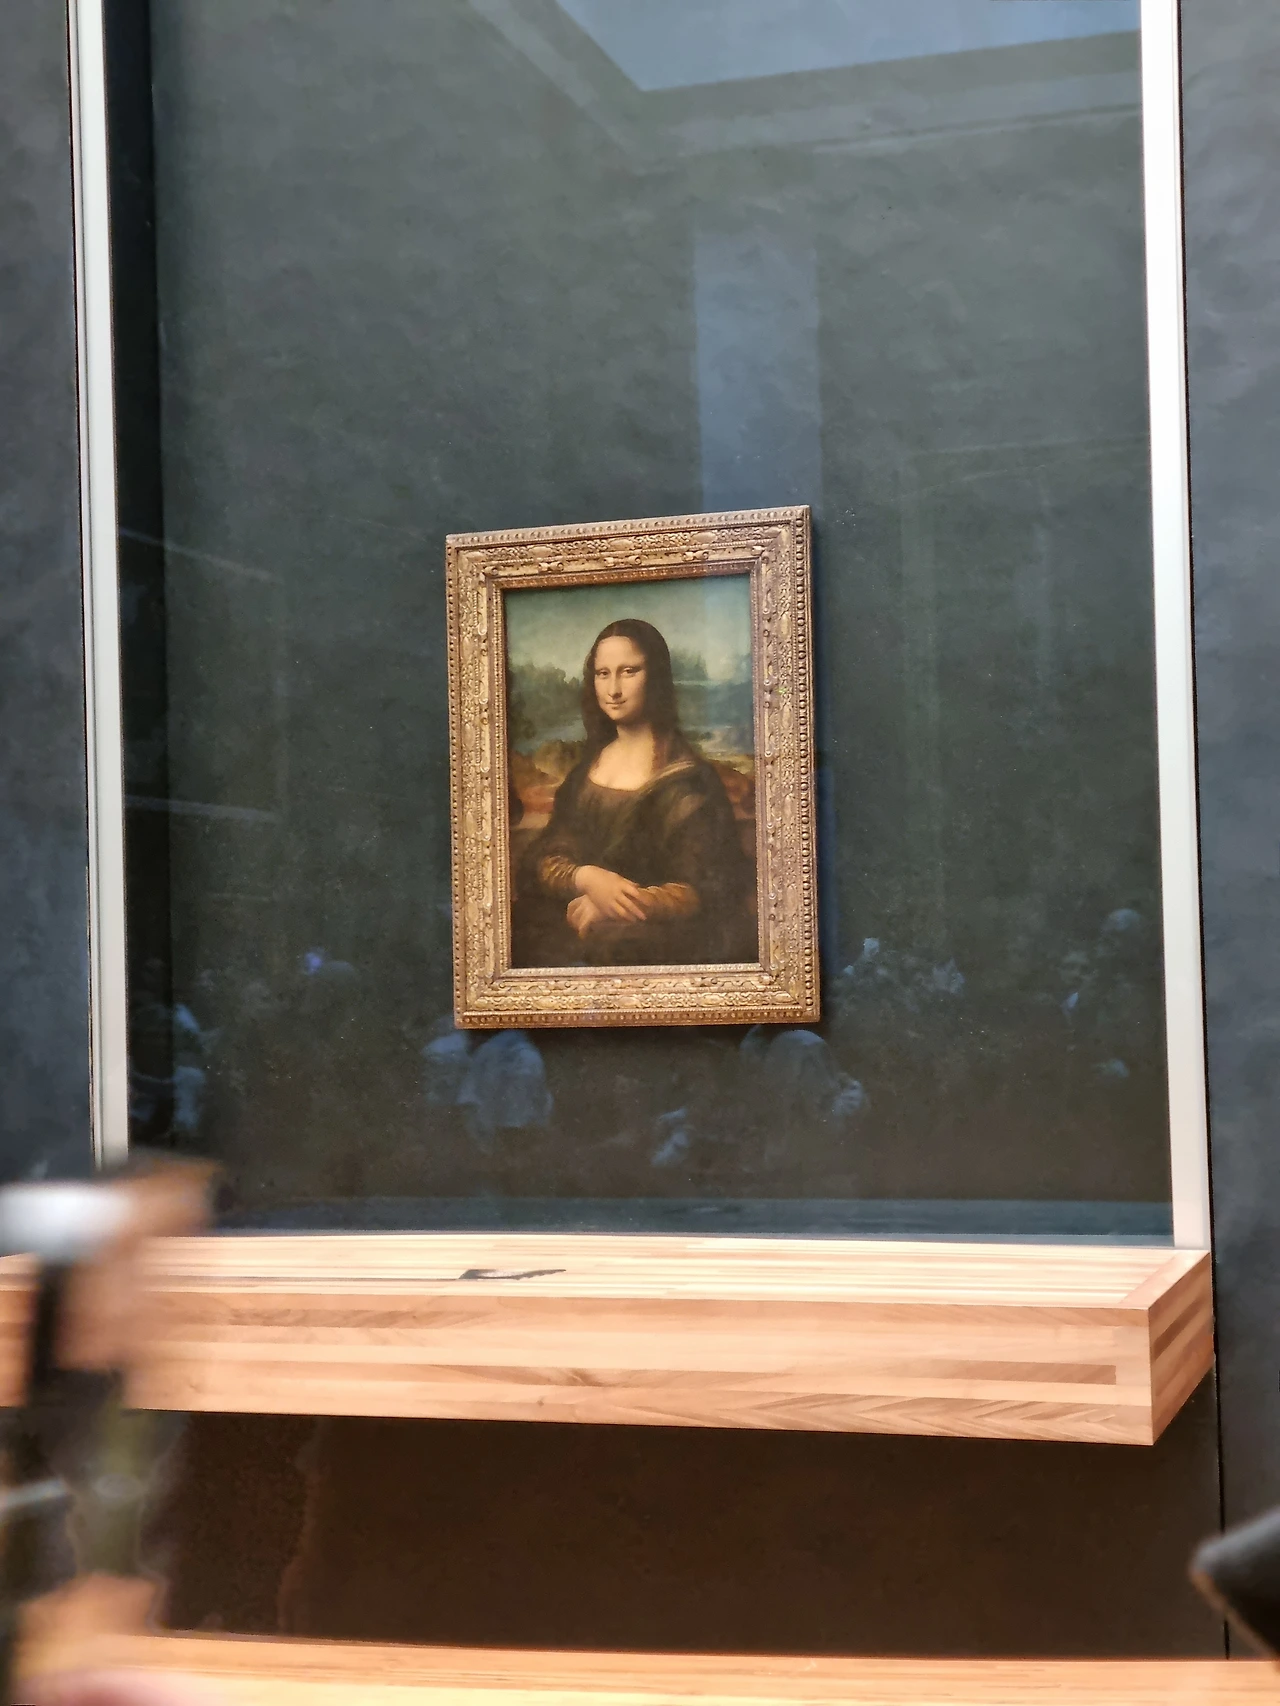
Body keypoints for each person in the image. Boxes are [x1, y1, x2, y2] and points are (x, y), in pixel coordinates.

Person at [513, 618, 755, 968]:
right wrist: (587, 878)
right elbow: (545, 857)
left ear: (655, 677)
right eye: (602, 674)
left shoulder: (689, 781)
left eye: (628, 672)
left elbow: (709, 888)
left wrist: (620, 902)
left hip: (659, 935)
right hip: (575, 915)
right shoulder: (586, 772)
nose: (613, 689)